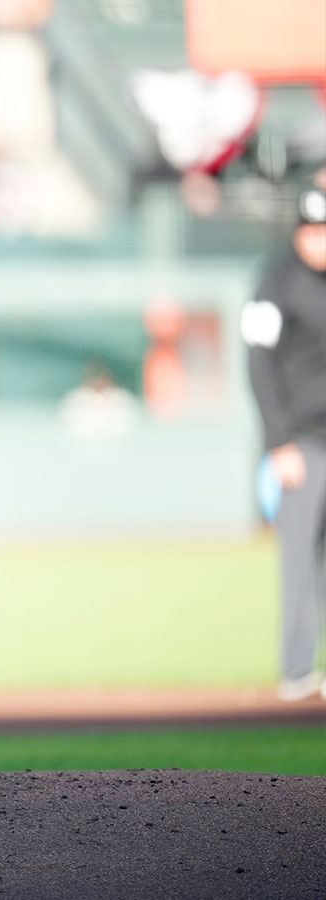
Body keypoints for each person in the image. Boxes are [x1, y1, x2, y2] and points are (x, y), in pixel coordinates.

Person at [241, 174, 326, 702]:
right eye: (314, 228)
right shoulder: (276, 280)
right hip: (301, 443)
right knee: (299, 558)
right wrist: (279, 442)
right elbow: (258, 364)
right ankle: (297, 671)